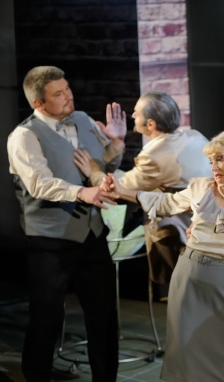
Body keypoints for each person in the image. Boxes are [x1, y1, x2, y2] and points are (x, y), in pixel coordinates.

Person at [102, 126, 224, 382]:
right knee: (183, 354)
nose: (213, 167)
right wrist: (120, 190)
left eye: (220, 159)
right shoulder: (200, 187)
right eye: (211, 161)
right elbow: (164, 204)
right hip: (190, 277)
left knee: (223, 355)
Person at [7, 65, 125, 382]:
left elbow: (102, 168)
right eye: (58, 94)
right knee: (46, 318)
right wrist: (82, 192)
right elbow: (39, 184)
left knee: (103, 316)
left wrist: (115, 145)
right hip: (50, 240)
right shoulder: (24, 136)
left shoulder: (83, 119)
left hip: (92, 234)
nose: (68, 96)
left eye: (68, 88)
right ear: (38, 103)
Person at [73, 91, 212, 295]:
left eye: (137, 113)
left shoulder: (154, 156)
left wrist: (94, 171)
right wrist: (117, 142)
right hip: (205, 230)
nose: (132, 116)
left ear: (151, 124)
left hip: (177, 236)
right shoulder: (195, 136)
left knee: (184, 297)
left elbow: (115, 189)